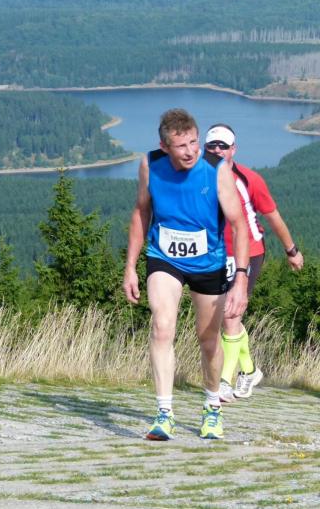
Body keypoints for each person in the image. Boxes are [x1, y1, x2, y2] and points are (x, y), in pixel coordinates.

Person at [122, 108, 249, 440]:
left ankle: (212, 406)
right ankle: (164, 414)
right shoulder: (150, 165)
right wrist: (130, 267)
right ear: (164, 147)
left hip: (209, 263)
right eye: (181, 146)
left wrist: (241, 278)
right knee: (162, 326)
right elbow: (141, 212)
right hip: (164, 256)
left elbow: (239, 224)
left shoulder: (216, 170)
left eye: (194, 142)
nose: (191, 151)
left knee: (208, 340)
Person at [203, 124, 304, 403]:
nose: (217, 150)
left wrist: (291, 250)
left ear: (233, 149)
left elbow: (273, 217)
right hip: (214, 254)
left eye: (223, 146)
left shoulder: (249, 180)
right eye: (212, 145)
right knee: (220, 317)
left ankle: (223, 382)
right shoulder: (196, 177)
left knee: (231, 315)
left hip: (248, 252)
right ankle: (249, 371)